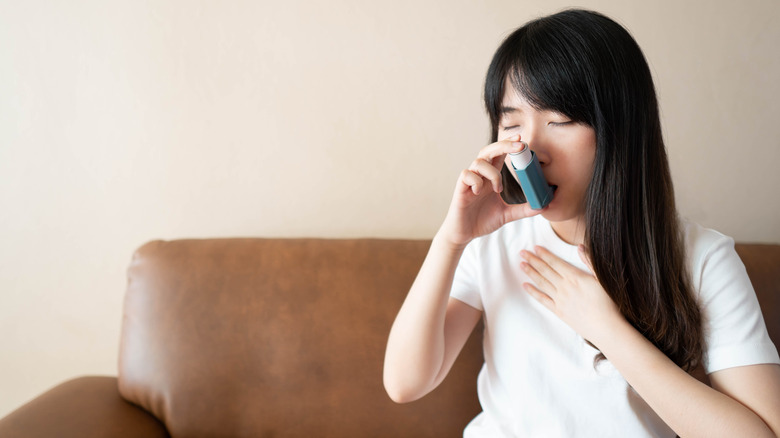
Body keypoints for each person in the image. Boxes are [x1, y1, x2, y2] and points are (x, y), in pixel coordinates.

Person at [383, 8, 780, 438]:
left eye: (560, 121)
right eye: (512, 122)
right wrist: (451, 240)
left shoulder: (702, 259)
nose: (530, 150)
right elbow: (405, 384)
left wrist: (608, 330)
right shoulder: (493, 243)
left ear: (619, 130)